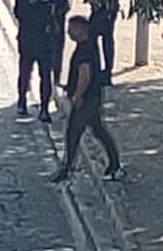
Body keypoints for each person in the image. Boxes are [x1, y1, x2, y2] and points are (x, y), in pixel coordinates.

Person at [50, 16, 124, 183]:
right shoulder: (86, 47)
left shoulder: (84, 50)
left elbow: (85, 74)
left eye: (72, 28)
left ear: (81, 29)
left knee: (73, 133)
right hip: (91, 97)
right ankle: (114, 165)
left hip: (86, 99)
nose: (68, 32)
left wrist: (77, 95)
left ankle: (66, 169)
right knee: (98, 131)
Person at [14, 0, 55, 122]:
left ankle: (44, 108)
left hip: (45, 38)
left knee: (45, 74)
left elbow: (58, 12)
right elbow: (19, 13)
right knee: (25, 71)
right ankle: (22, 100)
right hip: (27, 38)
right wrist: (31, 1)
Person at [89, 0, 121, 85]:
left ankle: (101, 72)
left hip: (106, 10)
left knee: (101, 39)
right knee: (105, 40)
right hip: (105, 9)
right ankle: (103, 71)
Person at [48, 0, 72, 87]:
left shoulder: (62, 0)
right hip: (53, 29)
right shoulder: (57, 0)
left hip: (58, 27)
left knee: (57, 51)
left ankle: (56, 78)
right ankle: (53, 77)